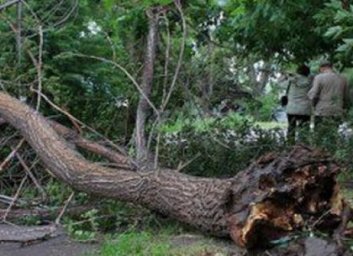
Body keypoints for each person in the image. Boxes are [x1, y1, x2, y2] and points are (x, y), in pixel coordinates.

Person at [307, 61, 349, 132]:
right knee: (333, 133)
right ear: (331, 67)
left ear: (322, 68)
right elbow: (346, 96)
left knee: (319, 135)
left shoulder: (319, 77)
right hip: (337, 110)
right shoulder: (342, 78)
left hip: (322, 110)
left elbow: (313, 94)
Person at [285, 64, 312, 144]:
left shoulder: (291, 80)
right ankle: (303, 145)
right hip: (305, 108)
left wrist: (289, 74)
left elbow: (280, 83)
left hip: (292, 108)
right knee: (304, 128)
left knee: (291, 127)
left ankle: (290, 144)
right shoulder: (310, 81)